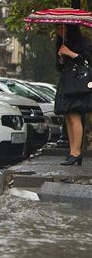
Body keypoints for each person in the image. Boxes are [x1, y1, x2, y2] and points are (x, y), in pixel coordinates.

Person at [54, 24, 92, 166]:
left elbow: (87, 61)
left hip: (78, 84)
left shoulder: (83, 42)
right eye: (57, 28)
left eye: (61, 28)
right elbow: (59, 67)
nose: (59, 31)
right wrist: (61, 59)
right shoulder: (61, 43)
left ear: (70, 28)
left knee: (75, 116)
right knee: (68, 116)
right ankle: (72, 151)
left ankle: (76, 152)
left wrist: (71, 53)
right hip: (67, 82)